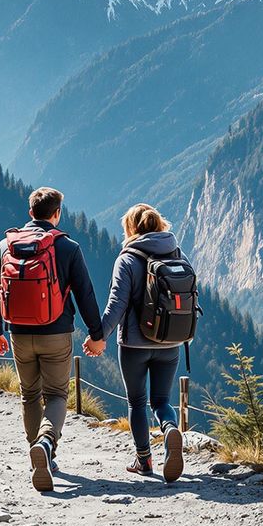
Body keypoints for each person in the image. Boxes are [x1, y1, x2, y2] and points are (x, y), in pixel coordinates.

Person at [0, 186, 105, 492]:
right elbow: (85, 294)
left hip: (19, 334)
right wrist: (97, 334)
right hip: (56, 333)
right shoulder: (68, 248)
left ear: (30, 213)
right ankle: (46, 444)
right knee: (56, 395)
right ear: (57, 214)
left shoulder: (5, 246)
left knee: (28, 394)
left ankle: (38, 455)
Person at [86, 203, 185, 482]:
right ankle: (169, 430)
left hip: (134, 345)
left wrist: (98, 338)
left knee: (138, 401)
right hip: (170, 342)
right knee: (162, 400)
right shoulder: (178, 254)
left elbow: (116, 305)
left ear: (132, 228)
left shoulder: (127, 259)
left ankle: (144, 461)